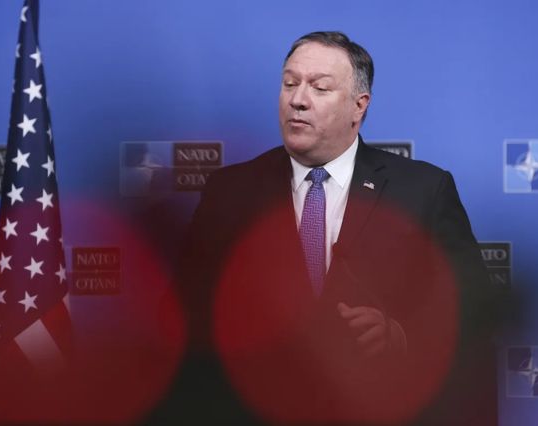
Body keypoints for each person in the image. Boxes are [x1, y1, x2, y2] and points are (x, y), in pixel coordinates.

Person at [176, 31, 497, 426]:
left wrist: (399, 335)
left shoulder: (423, 190)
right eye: (289, 83)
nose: (297, 99)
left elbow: (473, 310)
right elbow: (183, 312)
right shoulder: (230, 191)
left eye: (320, 87)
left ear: (358, 106)